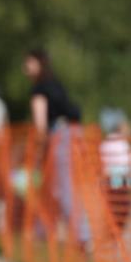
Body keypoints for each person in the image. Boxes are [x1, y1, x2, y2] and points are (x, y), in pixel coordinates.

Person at [25, 48, 88, 244]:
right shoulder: (55, 84)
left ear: (38, 64)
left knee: (62, 187)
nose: (26, 67)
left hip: (60, 136)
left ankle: (83, 237)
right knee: (61, 187)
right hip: (75, 133)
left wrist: (40, 150)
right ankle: (47, 232)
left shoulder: (40, 90)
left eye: (29, 62)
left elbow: (41, 124)